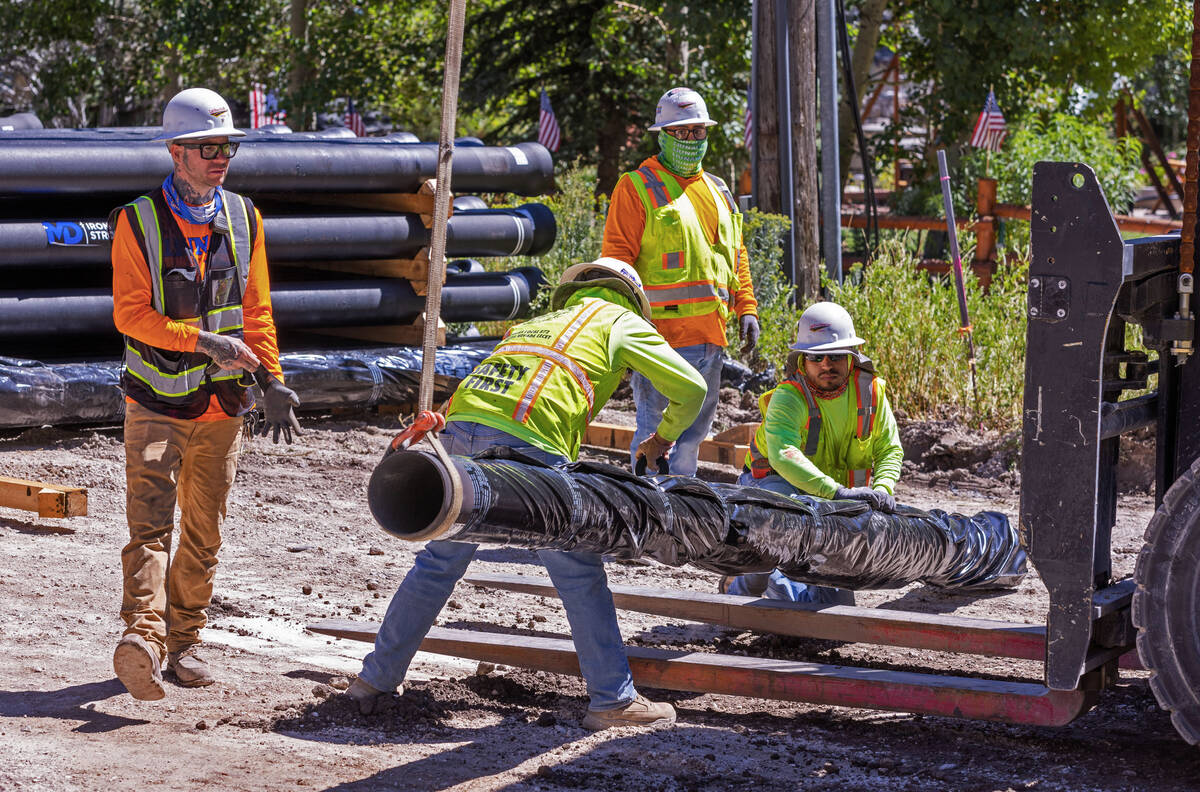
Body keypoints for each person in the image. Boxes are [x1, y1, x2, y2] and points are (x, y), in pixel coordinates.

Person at [347, 257, 708, 730]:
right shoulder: (619, 320)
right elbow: (692, 387)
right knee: (578, 569)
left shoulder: (537, 324)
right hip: (529, 439)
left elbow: (495, 379)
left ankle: (374, 680)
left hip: (460, 427)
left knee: (438, 564)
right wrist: (662, 438)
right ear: (633, 301)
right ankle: (613, 701)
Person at [109, 88, 300, 701]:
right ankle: (144, 639)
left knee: (204, 530)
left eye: (227, 147)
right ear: (176, 151)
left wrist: (271, 378)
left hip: (224, 407)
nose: (221, 157)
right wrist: (206, 343)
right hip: (157, 402)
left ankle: (185, 640)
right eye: (208, 148)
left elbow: (256, 309)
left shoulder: (244, 217)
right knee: (150, 527)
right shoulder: (137, 220)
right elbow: (131, 315)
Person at [602, 87, 760, 476]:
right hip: (660, 340)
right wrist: (624, 334)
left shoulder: (719, 190)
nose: (691, 139)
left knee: (692, 437)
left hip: (711, 340)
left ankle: (680, 510)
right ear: (663, 135)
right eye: (681, 132)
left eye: (698, 132)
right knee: (655, 432)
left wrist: (747, 307)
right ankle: (647, 512)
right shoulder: (637, 187)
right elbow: (617, 263)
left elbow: (735, 254)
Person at [722, 302, 904, 603]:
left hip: (833, 495)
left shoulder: (870, 392)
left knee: (837, 606)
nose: (826, 365)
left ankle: (781, 587)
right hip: (775, 486)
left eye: (835, 356)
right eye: (816, 357)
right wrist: (837, 494)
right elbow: (783, 454)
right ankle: (741, 584)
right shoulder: (788, 396)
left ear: (852, 357)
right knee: (776, 544)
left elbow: (889, 449)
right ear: (802, 361)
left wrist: (882, 490)